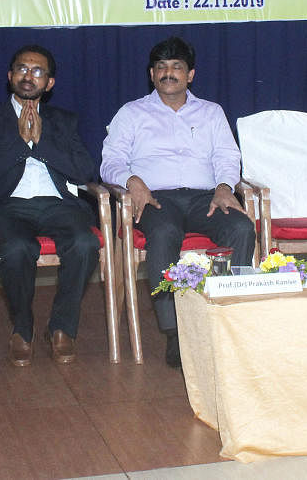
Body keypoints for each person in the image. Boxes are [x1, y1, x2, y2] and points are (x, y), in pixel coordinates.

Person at [101, 36, 255, 368]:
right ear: (151, 74)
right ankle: (175, 333)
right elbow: (110, 161)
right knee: (166, 231)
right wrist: (132, 181)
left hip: (205, 197)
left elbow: (228, 156)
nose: (168, 73)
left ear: (190, 75)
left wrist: (226, 185)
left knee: (241, 227)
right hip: (157, 199)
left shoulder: (211, 112)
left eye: (176, 67)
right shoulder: (132, 113)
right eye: (161, 67)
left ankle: (226, 316)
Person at [0, 45, 100, 366]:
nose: (28, 76)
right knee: (16, 248)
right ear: (10, 76)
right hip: (8, 207)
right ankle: (22, 328)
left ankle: (63, 328)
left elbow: (83, 171)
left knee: (84, 243)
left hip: (58, 205)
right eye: (22, 69)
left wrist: (41, 142)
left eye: (37, 71)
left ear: (49, 83)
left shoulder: (64, 121)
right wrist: (20, 144)